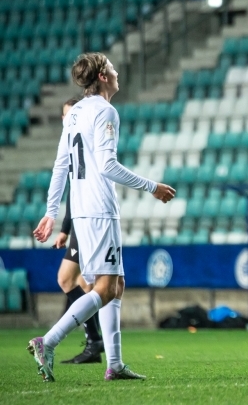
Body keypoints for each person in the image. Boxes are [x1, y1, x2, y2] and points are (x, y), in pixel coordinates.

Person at [29, 52, 176, 382]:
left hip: (82, 211)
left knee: (115, 284)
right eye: (111, 67)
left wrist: (52, 212)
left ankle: (115, 364)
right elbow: (107, 166)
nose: (116, 70)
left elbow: (60, 166)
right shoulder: (105, 112)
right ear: (103, 77)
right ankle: (47, 341)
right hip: (99, 210)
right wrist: (152, 187)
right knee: (106, 288)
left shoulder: (76, 113)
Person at [52, 97, 104, 364]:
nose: (68, 119)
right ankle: (96, 342)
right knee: (85, 284)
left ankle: (96, 341)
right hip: (81, 220)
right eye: (65, 116)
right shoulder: (72, 143)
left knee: (72, 281)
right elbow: (74, 189)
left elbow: (79, 186)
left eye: (71, 114)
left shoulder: (82, 141)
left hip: (89, 219)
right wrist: (64, 229)